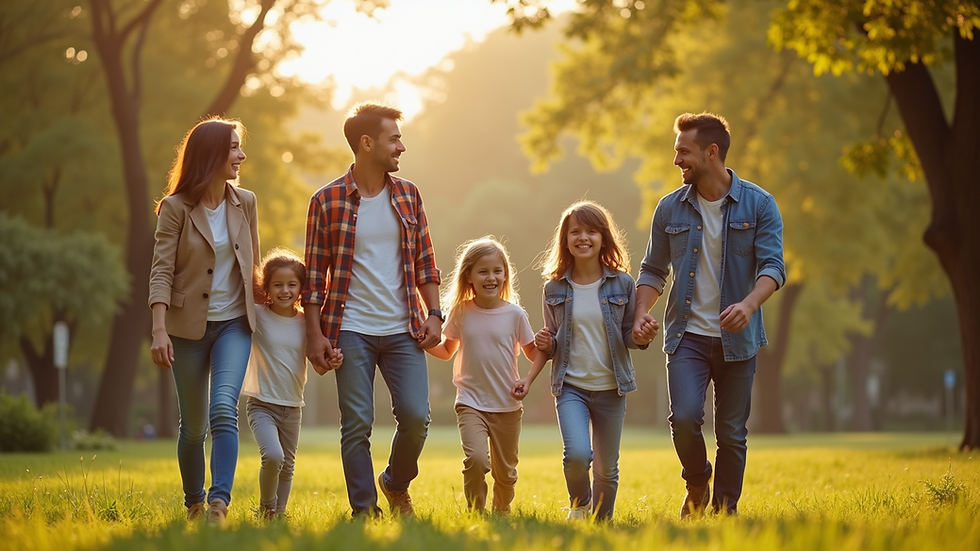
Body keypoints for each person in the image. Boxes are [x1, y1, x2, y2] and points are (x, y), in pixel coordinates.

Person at [634, 112, 786, 517]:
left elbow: (774, 267)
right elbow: (652, 268)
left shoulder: (760, 204)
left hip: (740, 338)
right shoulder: (669, 209)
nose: (676, 160)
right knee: (684, 418)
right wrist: (639, 314)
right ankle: (698, 482)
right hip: (687, 336)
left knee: (732, 434)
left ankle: (724, 512)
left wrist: (749, 305)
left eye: (683, 151)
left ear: (711, 152)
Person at [302, 101, 442, 518]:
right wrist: (315, 335)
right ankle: (363, 511)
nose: (401, 146)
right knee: (357, 424)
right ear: (366, 143)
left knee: (416, 418)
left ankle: (395, 484)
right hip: (350, 329)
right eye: (393, 138)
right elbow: (314, 277)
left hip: (404, 329)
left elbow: (425, 263)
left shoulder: (408, 194)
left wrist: (435, 314)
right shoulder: (326, 201)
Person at [510, 201, 653, 522]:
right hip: (570, 386)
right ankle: (580, 503)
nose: (583, 237)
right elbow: (552, 341)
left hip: (611, 387)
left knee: (606, 466)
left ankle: (602, 524)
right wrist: (546, 343)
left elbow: (629, 335)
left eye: (591, 231)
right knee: (576, 456)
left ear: (603, 237)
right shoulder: (554, 288)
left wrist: (641, 336)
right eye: (575, 231)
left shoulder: (622, 284)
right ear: (566, 239)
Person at [148, 117, 259, 524]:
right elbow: (161, 270)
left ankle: (218, 503)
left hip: (234, 324)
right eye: (233, 147)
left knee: (223, 409)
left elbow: (253, 265)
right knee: (193, 428)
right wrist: (159, 329)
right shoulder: (176, 209)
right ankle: (193, 502)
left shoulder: (245, 201)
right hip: (185, 329)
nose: (241, 155)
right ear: (210, 153)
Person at [425, 236, 538, 515]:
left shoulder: (516, 315)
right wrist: (425, 343)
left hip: (508, 405)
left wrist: (529, 378)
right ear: (470, 276)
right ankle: (476, 511)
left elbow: (535, 354)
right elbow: (447, 350)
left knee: (506, 474)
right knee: (476, 459)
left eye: (497, 271)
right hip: (470, 402)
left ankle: (502, 512)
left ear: (505, 275)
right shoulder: (461, 312)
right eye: (483, 271)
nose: (491, 277)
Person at [243, 248, 342, 519]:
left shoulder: (307, 324)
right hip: (261, 404)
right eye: (277, 284)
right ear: (267, 286)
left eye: (291, 284)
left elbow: (319, 367)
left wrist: (332, 361)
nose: (284, 290)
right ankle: (266, 507)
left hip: (293, 407)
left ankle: (279, 514)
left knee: (287, 466)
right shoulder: (257, 315)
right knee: (273, 457)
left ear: (302, 288)